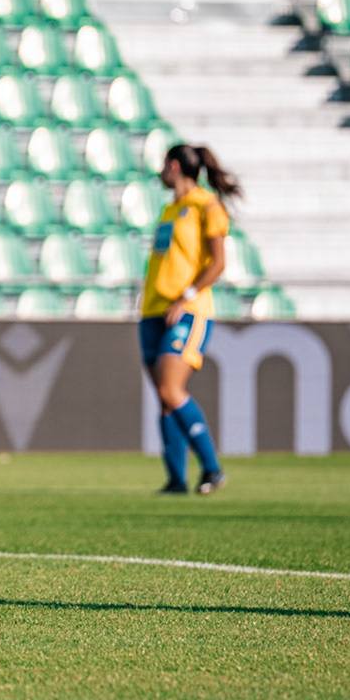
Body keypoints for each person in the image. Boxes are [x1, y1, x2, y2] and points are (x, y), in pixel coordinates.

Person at [141, 143, 239, 495]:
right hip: (153, 309)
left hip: (187, 311)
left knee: (172, 388)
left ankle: (212, 469)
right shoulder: (170, 209)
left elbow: (217, 263)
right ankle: (176, 480)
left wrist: (187, 297)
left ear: (175, 165)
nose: (161, 171)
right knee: (164, 397)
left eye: (164, 164)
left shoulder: (206, 206)